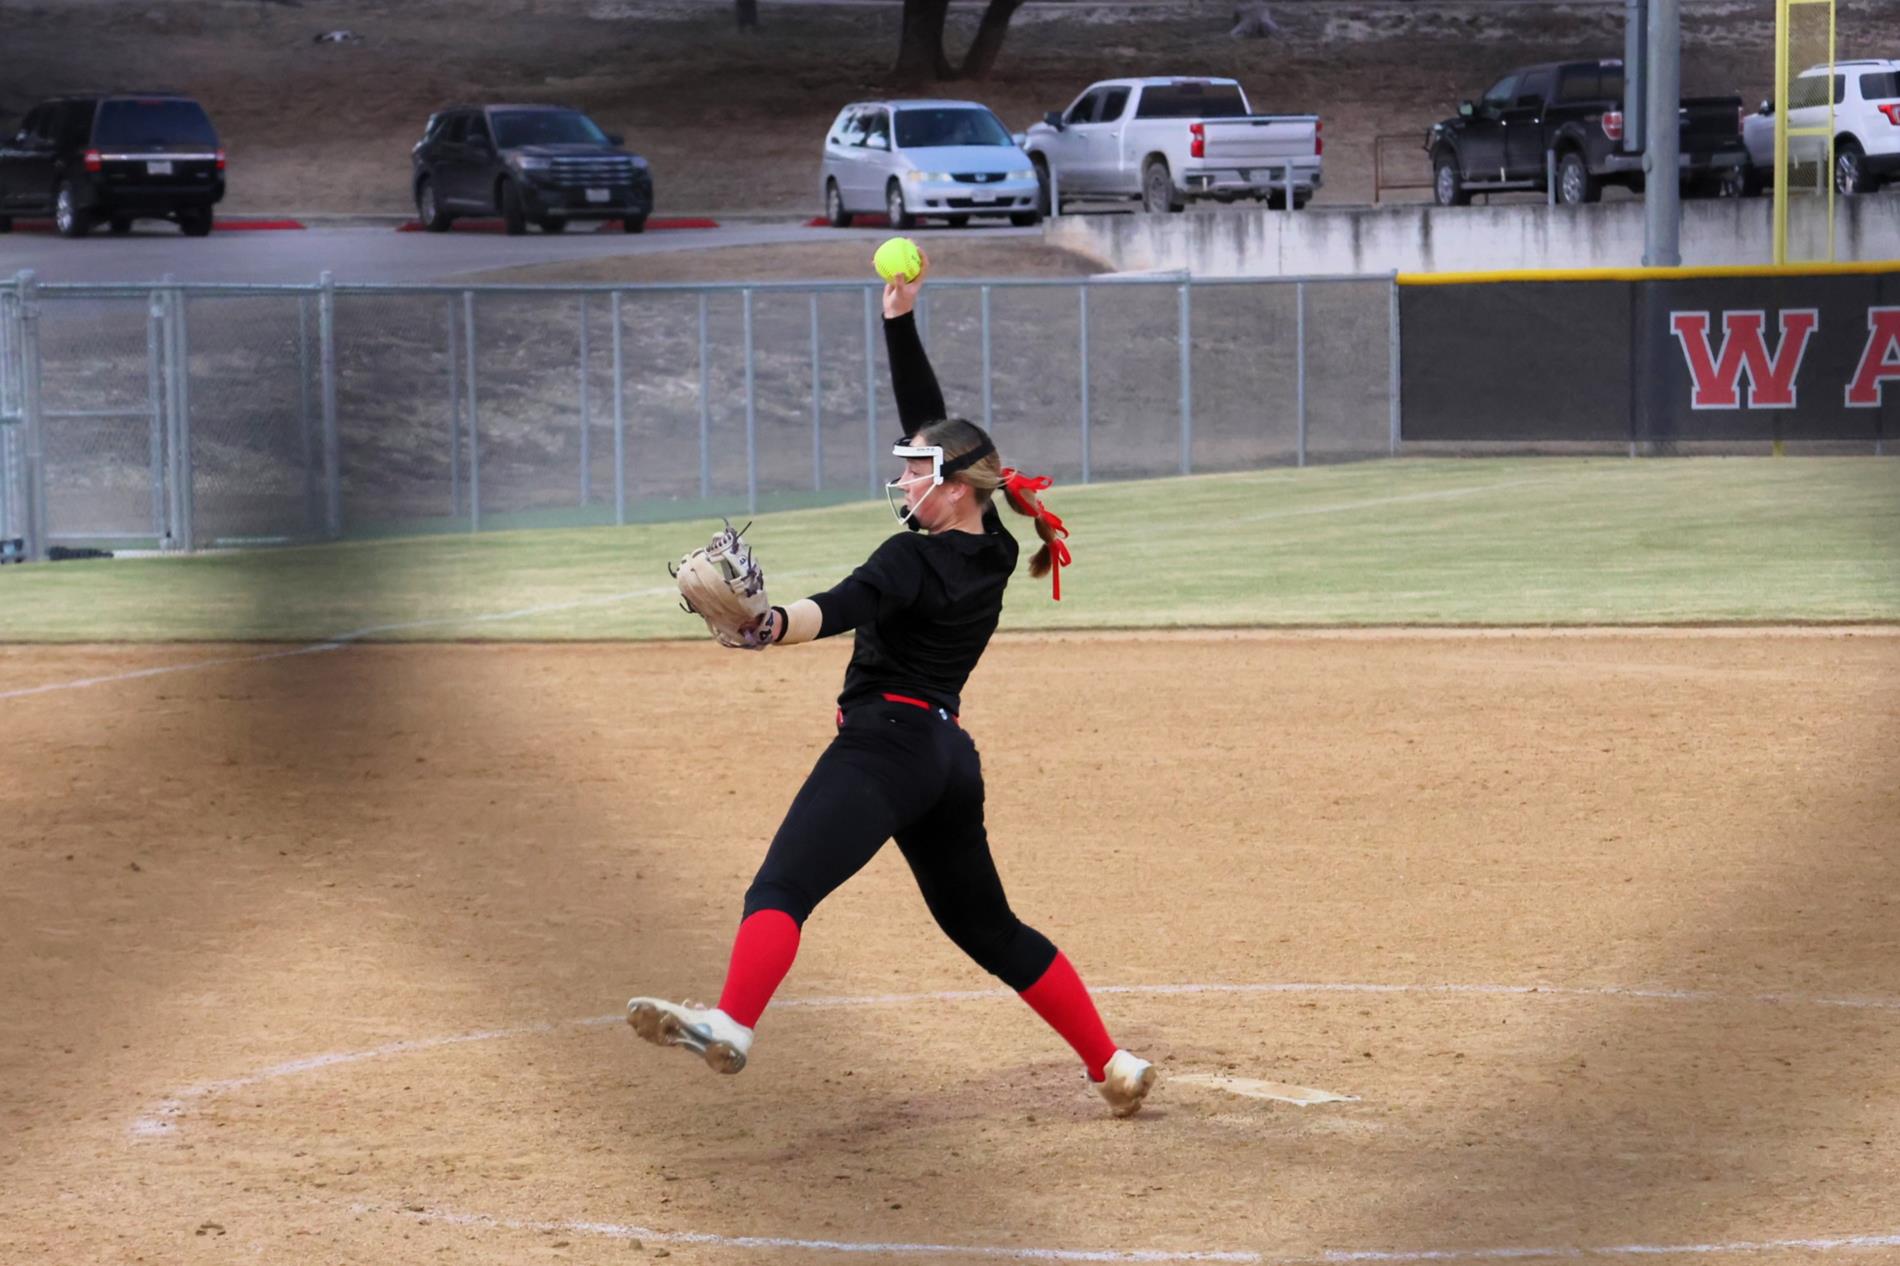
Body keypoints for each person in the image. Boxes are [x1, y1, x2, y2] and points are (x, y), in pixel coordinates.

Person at [627, 253, 1157, 1118]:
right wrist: (898, 320)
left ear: (954, 488)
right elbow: (936, 429)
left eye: (918, 471)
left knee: (780, 890)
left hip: (884, 749)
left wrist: (767, 625)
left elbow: (839, 607)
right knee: (988, 928)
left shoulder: (910, 556)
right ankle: (1113, 1063)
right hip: (946, 760)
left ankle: (733, 1023)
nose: (905, 478)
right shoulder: (990, 549)